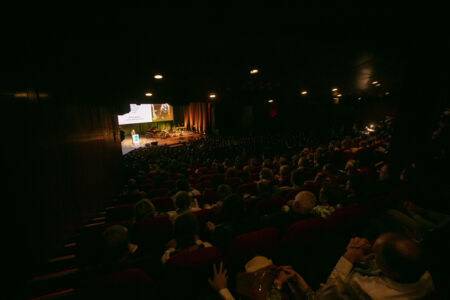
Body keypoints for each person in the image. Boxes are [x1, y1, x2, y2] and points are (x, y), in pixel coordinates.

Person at [319, 233, 435, 299]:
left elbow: (327, 294)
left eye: (376, 255)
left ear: (388, 270)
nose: (373, 256)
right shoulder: (425, 276)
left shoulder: (365, 290)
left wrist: (349, 256)